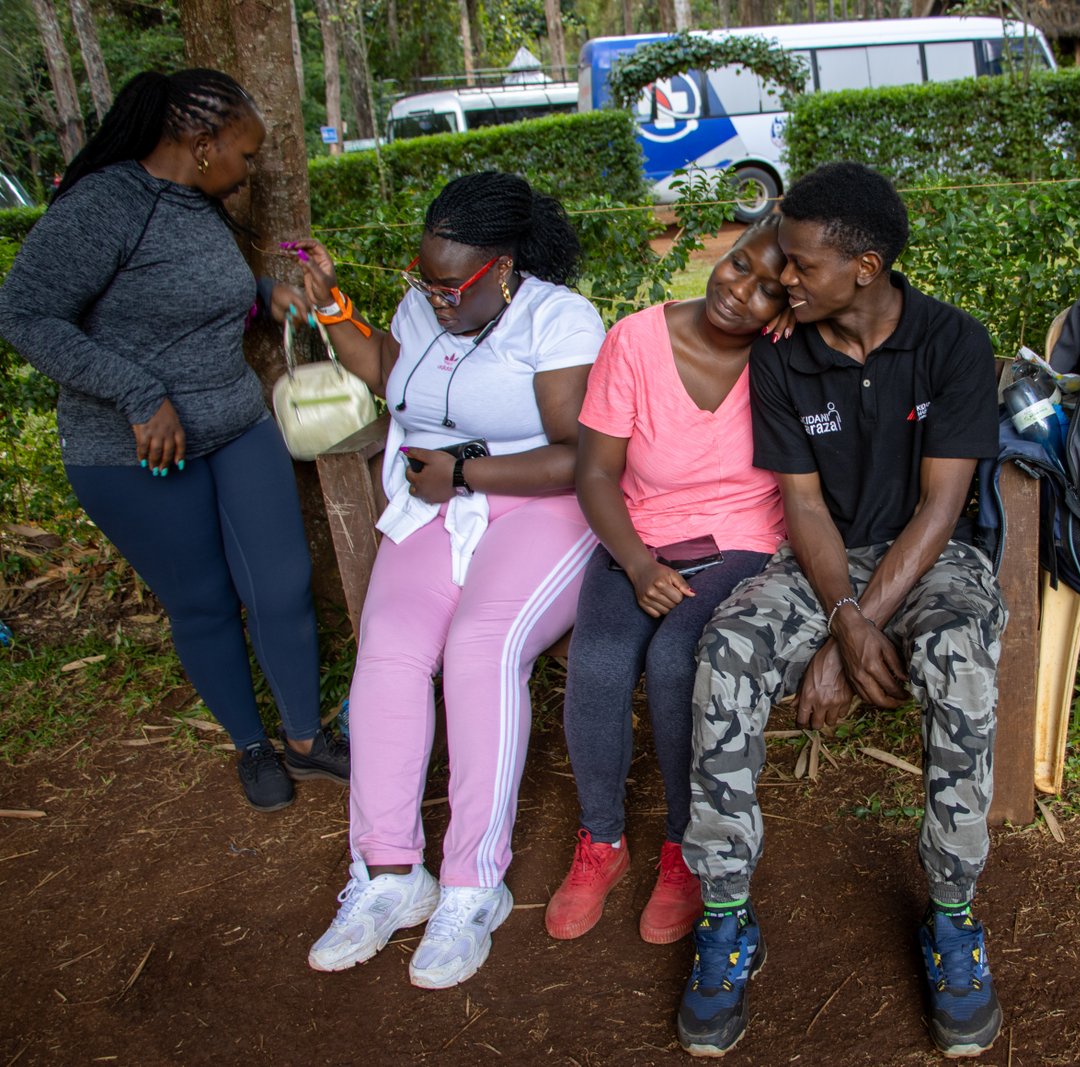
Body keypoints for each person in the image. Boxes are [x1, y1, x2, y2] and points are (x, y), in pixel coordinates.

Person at [675, 163, 1008, 1058]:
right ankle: (726, 915)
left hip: (932, 558)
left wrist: (852, 628)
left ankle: (952, 914)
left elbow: (941, 507)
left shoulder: (951, 342)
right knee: (729, 646)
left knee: (961, 654)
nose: (783, 277)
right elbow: (804, 504)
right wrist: (846, 622)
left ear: (865, 268)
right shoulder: (784, 354)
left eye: (801, 263)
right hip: (822, 564)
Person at [288, 172, 605, 989]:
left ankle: (472, 885)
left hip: (540, 505)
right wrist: (332, 308)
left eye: (452, 286)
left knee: (480, 651)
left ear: (503, 267)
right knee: (388, 652)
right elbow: (386, 370)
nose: (435, 299)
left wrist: (466, 472)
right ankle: (389, 873)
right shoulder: (422, 308)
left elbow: (581, 456)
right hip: (433, 505)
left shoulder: (557, 319)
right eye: (423, 281)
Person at [0, 69, 346, 812]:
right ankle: (251, 745)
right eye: (244, 155)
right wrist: (139, 393)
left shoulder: (197, 202)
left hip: (237, 424)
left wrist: (267, 295)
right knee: (204, 601)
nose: (248, 171)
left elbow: (181, 294)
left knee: (281, 584)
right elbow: (23, 314)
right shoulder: (105, 204)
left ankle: (306, 740)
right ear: (201, 143)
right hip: (133, 450)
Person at [545, 218, 791, 945]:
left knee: (679, 657)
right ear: (726, 250)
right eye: (739, 264)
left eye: (769, 290)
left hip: (741, 537)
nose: (740, 291)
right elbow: (596, 473)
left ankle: (685, 844)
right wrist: (636, 563)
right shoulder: (635, 341)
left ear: (790, 305)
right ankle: (602, 839)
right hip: (640, 534)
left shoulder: (784, 352)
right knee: (597, 660)